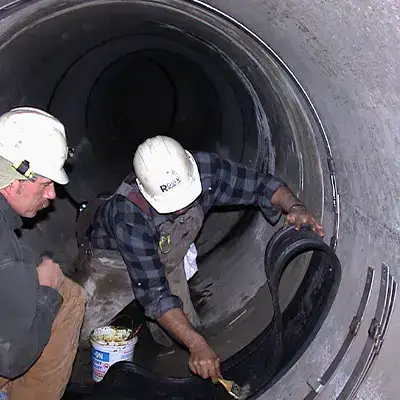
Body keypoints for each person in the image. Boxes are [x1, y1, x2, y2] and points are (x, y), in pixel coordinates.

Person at [89, 135, 323, 382]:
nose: (182, 209)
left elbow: (261, 185)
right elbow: (154, 293)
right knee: (84, 336)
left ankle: (165, 363)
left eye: (186, 198)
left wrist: (295, 207)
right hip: (111, 263)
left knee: (180, 334)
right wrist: (197, 344)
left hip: (165, 257)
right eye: (172, 205)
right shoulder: (129, 214)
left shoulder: (205, 170)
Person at [0, 107, 85, 400]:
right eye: (46, 184)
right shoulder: (6, 256)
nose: (52, 195)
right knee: (67, 295)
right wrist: (46, 292)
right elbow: (11, 359)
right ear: (13, 184)